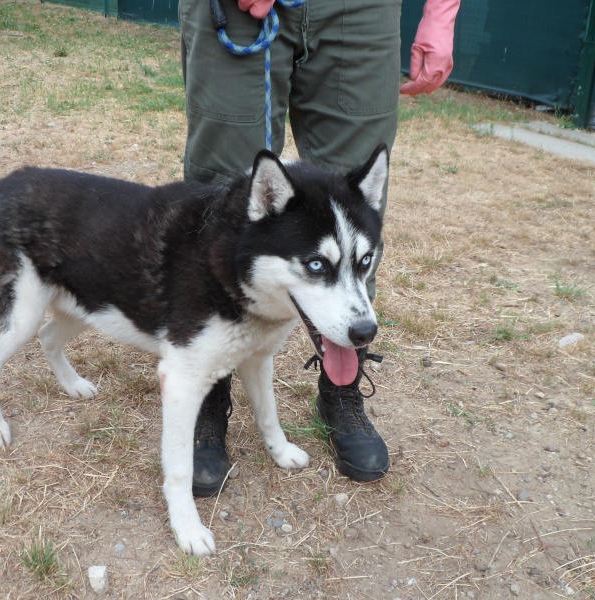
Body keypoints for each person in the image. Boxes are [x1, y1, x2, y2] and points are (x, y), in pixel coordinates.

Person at [179, 0, 460, 496]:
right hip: (237, 10)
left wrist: (440, 13)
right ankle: (208, 386)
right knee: (224, 192)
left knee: (355, 205)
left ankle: (341, 390)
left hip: (362, 9)